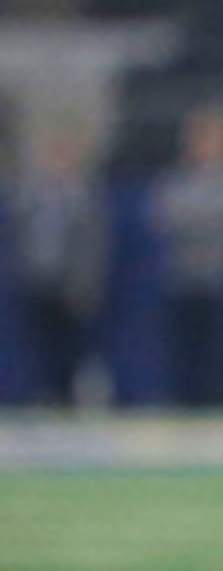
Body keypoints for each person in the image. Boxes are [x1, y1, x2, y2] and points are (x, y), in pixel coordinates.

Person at [149, 102, 223, 406]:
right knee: (183, 351)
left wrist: (191, 217)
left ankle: (216, 404)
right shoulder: (176, 178)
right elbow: (161, 217)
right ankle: (184, 404)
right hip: (182, 277)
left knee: (217, 351)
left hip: (219, 278)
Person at [10, 119, 111, 408]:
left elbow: (93, 246)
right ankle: (41, 396)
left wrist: (87, 284)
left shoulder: (84, 198)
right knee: (35, 346)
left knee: (70, 348)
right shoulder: (33, 196)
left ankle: (71, 399)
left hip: (69, 285)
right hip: (38, 280)